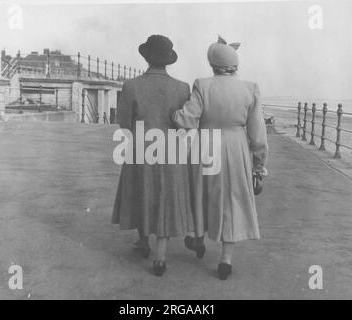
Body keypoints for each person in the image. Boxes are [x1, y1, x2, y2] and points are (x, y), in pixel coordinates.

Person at [172, 36, 268, 280]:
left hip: (206, 145)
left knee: (203, 193)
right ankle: (226, 260)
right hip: (236, 148)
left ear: (212, 63)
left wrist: (174, 114)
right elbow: (258, 135)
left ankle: (198, 238)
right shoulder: (251, 88)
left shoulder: (202, 85)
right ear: (235, 64)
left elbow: (187, 119)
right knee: (232, 201)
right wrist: (259, 167)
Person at [112, 35, 194, 276]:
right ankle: (160, 255)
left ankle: (143, 241)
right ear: (168, 60)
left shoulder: (131, 86)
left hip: (141, 146)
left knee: (142, 192)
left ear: (146, 57)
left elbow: (124, 123)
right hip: (170, 149)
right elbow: (185, 124)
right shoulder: (182, 88)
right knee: (166, 197)